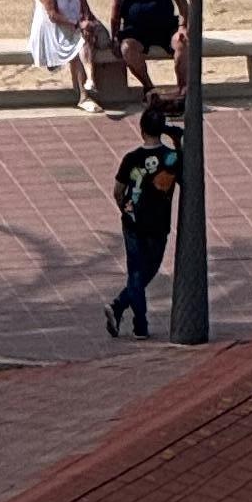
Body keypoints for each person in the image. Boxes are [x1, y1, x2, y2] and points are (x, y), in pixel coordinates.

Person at [106, 101, 182, 339]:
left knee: (136, 271)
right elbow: (186, 177)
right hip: (158, 223)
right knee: (149, 269)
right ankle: (135, 320)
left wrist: (124, 208)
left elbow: (118, 191)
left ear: (141, 129)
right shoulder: (172, 158)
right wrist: (178, 142)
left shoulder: (132, 158)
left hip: (132, 221)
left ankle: (124, 310)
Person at [29, 0, 121, 109]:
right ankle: (84, 95)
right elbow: (53, 16)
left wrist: (89, 22)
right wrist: (79, 24)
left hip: (74, 26)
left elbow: (85, 8)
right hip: (53, 31)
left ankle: (92, 81)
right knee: (79, 44)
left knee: (101, 39)